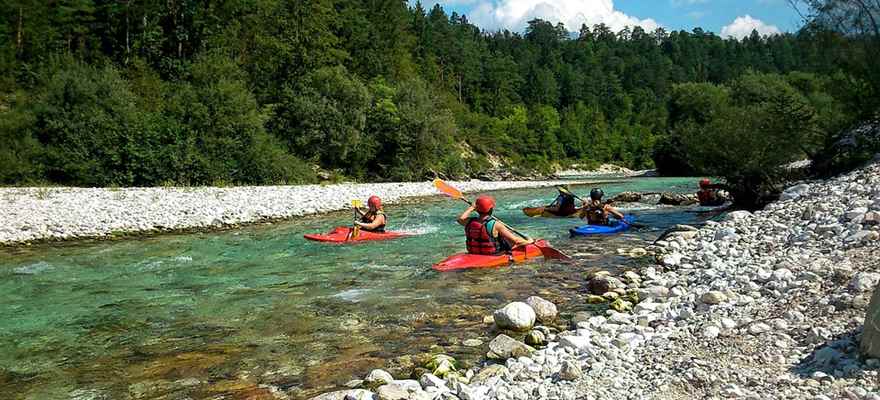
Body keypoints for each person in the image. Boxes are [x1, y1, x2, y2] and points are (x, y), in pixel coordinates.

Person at [457, 195, 533, 255]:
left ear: (476, 209)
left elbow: (460, 219)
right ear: (491, 209)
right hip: (493, 254)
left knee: (504, 235)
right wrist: (530, 241)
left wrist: (471, 208)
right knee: (510, 240)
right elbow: (516, 241)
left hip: (474, 252)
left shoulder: (469, 221)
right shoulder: (496, 224)